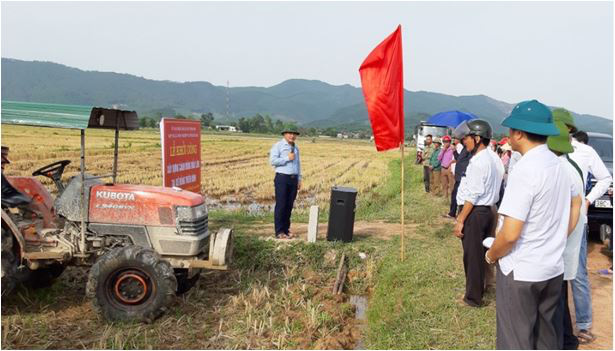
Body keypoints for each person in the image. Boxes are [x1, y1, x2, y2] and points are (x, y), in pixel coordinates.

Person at [485, 100, 577, 349]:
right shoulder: (559, 167)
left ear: (519, 133)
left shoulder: (526, 170)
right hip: (552, 269)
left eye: (511, 131)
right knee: (547, 339)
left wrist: (492, 255)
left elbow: (511, 233)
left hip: (522, 271)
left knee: (516, 341)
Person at [556, 109, 612, 344]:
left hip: (577, 220)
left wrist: (589, 199)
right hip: (551, 222)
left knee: (577, 273)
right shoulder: (547, 150)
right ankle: (554, 323)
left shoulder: (585, 151)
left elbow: (606, 178)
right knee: (552, 272)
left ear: (569, 128)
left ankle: (583, 324)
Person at [452, 119, 504, 307]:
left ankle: (473, 298)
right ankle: (483, 287)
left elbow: (473, 195)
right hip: (489, 210)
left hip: (475, 212)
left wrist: (460, 220)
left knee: (472, 256)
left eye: (467, 138)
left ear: (478, 138)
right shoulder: (493, 158)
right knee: (482, 253)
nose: (464, 141)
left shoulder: (478, 162)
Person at [547, 118, 585, 350]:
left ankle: (566, 342)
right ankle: (566, 340)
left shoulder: (561, 169)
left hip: (561, 244)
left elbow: (569, 209)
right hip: (565, 242)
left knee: (557, 298)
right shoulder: (569, 167)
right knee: (558, 296)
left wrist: (556, 240)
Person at [269, 129, 302, 239]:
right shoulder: (278, 146)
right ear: (284, 134)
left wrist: (299, 179)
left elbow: (298, 164)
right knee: (281, 205)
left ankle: (286, 230)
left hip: (293, 179)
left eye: (294, 134)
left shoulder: (296, 148)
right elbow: (273, 161)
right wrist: (287, 158)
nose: (292, 136)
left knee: (289, 206)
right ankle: (279, 232)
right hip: (282, 178)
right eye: (290, 134)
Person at [448, 136, 473, 218]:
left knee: (460, 196)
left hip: (463, 176)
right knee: (455, 194)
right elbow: (459, 159)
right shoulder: (465, 148)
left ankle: (458, 214)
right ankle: (452, 213)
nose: (464, 141)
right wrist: (454, 151)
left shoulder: (470, 150)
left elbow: (467, 162)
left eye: (465, 139)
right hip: (459, 176)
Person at [438, 135, 455, 200]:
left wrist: (451, 165)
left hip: (449, 168)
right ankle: (445, 196)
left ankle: (452, 198)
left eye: (447, 141)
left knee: (451, 184)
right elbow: (439, 158)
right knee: (444, 183)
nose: (446, 143)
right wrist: (443, 151)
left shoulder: (452, 149)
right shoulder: (443, 149)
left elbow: (455, 159)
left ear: (450, 142)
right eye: (444, 141)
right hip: (443, 168)